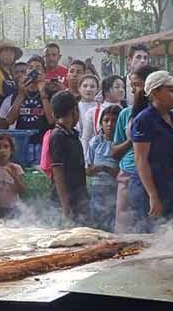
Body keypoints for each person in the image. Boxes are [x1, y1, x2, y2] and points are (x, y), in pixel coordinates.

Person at [129, 71, 173, 233]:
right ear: (155, 93)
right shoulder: (144, 120)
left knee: (171, 237)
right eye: (171, 90)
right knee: (149, 239)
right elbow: (141, 161)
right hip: (149, 189)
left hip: (170, 187)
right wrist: (153, 196)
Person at [111, 65, 157, 233]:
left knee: (150, 226)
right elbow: (115, 152)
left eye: (137, 85)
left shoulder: (163, 115)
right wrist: (133, 140)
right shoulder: (126, 114)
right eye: (132, 85)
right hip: (128, 174)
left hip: (154, 174)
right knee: (125, 229)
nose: (133, 91)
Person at [49, 90, 89, 224]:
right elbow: (57, 172)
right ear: (74, 110)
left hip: (78, 196)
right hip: (64, 200)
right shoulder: (57, 136)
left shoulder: (72, 134)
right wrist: (65, 206)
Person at [0, 55, 56, 145]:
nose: (34, 71)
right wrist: (21, 94)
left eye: (38, 68)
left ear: (44, 73)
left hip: (43, 142)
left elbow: (51, 120)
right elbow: (10, 120)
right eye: (30, 68)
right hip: (22, 142)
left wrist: (43, 93)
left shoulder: (51, 94)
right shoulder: (18, 94)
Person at [87, 105, 120, 231]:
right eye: (106, 120)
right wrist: (99, 168)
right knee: (97, 226)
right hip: (97, 191)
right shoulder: (95, 142)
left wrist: (104, 169)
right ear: (101, 123)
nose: (110, 124)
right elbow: (88, 170)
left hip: (115, 191)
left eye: (114, 120)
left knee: (113, 225)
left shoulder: (121, 144)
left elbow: (120, 173)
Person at [79, 74, 125, 160]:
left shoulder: (126, 111)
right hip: (98, 159)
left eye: (123, 87)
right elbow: (86, 138)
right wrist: (86, 160)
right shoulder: (93, 112)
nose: (121, 90)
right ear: (106, 91)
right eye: (117, 87)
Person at [0, 39, 23, 122]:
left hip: (13, 116)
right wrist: (22, 92)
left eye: (12, 52)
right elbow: (5, 91)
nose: (9, 54)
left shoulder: (13, 72)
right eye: (6, 51)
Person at [0, 134, 26, 218]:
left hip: (13, 208)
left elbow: (22, 191)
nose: (2, 151)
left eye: (6, 147)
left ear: (11, 150)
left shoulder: (17, 168)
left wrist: (15, 176)